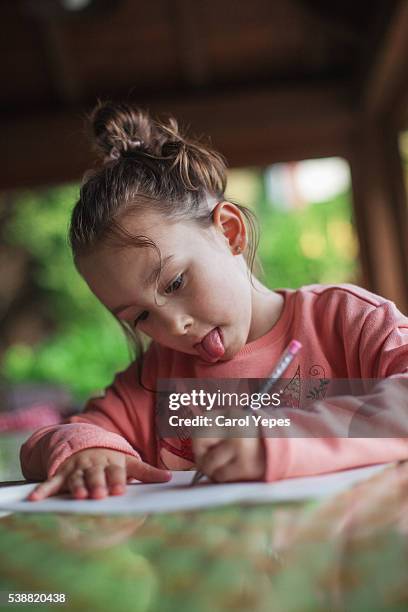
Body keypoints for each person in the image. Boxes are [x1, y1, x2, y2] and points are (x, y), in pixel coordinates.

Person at [21, 101, 408, 502]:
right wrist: (87, 451)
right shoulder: (158, 380)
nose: (173, 327)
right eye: (140, 316)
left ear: (229, 231)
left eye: (174, 283)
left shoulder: (345, 321)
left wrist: (276, 438)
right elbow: (53, 438)